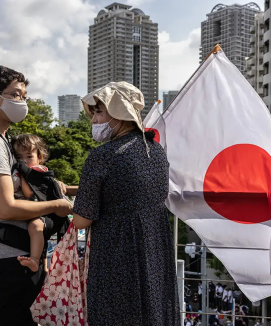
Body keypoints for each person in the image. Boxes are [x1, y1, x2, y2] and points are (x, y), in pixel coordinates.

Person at [0, 66, 72, 325]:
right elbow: (7, 208)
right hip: (10, 256)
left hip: (19, 252)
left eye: (24, 96)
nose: (21, 102)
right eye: (15, 95)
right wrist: (56, 204)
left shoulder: (3, 139)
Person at [72, 81, 180, 324]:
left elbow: (81, 219)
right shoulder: (156, 151)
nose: (94, 119)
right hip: (154, 249)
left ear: (118, 114)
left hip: (116, 253)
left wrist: (61, 203)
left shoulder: (102, 156)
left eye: (99, 112)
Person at [11, 133, 62, 272]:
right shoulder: (36, 170)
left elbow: (29, 193)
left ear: (39, 157)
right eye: (19, 157)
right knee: (40, 236)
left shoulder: (35, 172)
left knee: (35, 227)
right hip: (45, 210)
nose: (24, 161)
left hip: (47, 211)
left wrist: (21, 176)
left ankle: (34, 260)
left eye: (29, 156)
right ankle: (43, 267)